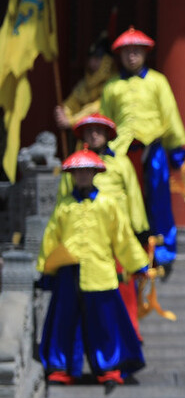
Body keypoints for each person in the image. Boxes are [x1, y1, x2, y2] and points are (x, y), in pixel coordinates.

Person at [37, 150, 149, 386]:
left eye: (87, 171)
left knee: (104, 324)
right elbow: (51, 238)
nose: (83, 176)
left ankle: (108, 368)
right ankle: (61, 368)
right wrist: (45, 268)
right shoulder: (64, 205)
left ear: (95, 173)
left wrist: (137, 263)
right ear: (73, 175)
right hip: (68, 272)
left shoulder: (108, 204)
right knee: (64, 322)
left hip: (100, 272)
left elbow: (123, 237)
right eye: (79, 172)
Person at [98, 27, 185, 267]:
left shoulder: (158, 81)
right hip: (122, 153)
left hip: (153, 149)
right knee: (122, 200)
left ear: (145, 54)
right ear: (120, 55)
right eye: (127, 52)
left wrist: (176, 147)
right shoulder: (111, 86)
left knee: (158, 199)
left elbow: (169, 115)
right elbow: (104, 121)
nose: (131, 57)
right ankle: (125, 249)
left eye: (136, 52)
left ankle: (162, 251)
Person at [57, 114, 148, 332]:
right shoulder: (76, 164)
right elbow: (63, 201)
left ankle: (129, 332)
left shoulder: (121, 162)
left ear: (107, 134)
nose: (94, 134)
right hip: (85, 237)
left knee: (124, 288)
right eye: (89, 131)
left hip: (118, 237)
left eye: (99, 130)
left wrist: (140, 230)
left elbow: (134, 196)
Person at [54, 31, 116, 130]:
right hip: (84, 134)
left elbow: (96, 108)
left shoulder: (113, 83)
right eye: (90, 58)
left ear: (107, 61)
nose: (92, 63)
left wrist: (71, 121)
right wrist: (63, 113)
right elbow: (72, 102)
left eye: (97, 58)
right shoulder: (84, 84)